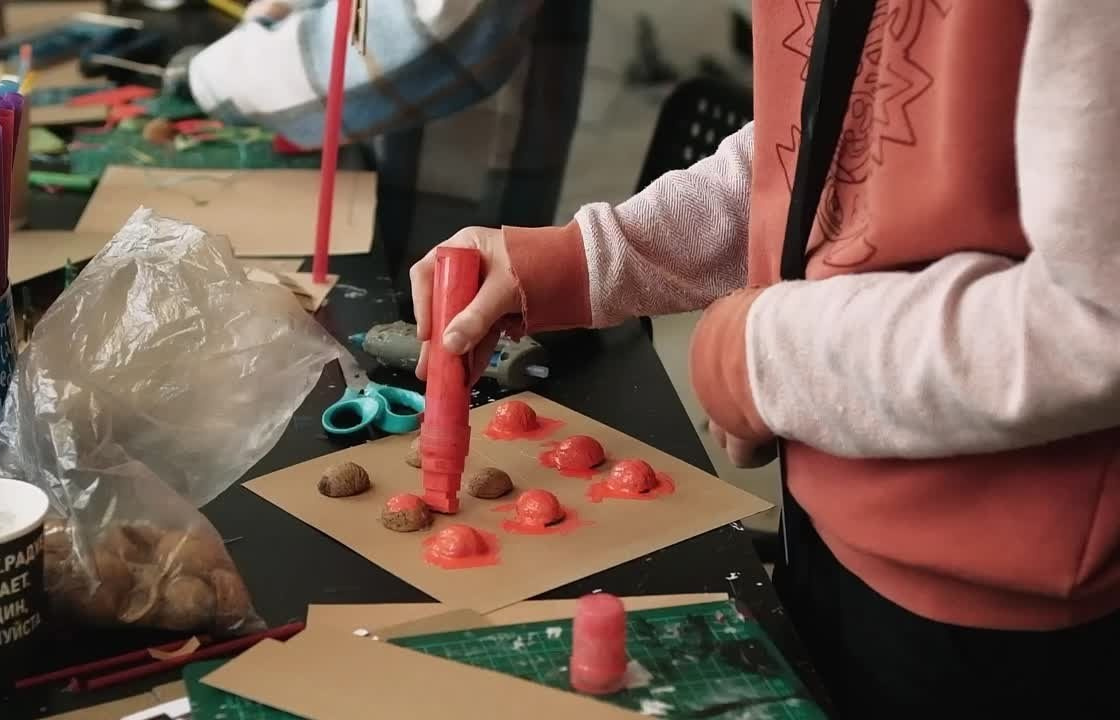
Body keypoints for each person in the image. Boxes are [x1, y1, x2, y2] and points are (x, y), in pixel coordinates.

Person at [410, 1, 1120, 717]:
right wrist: (588, 261)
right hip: (830, 508)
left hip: (1000, 602)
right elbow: (832, 140)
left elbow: (1095, 317)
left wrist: (755, 355)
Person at [184, 0, 590, 276]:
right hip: (369, 153)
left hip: (444, 185)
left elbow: (442, 29)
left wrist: (211, 76)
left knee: (443, 322)